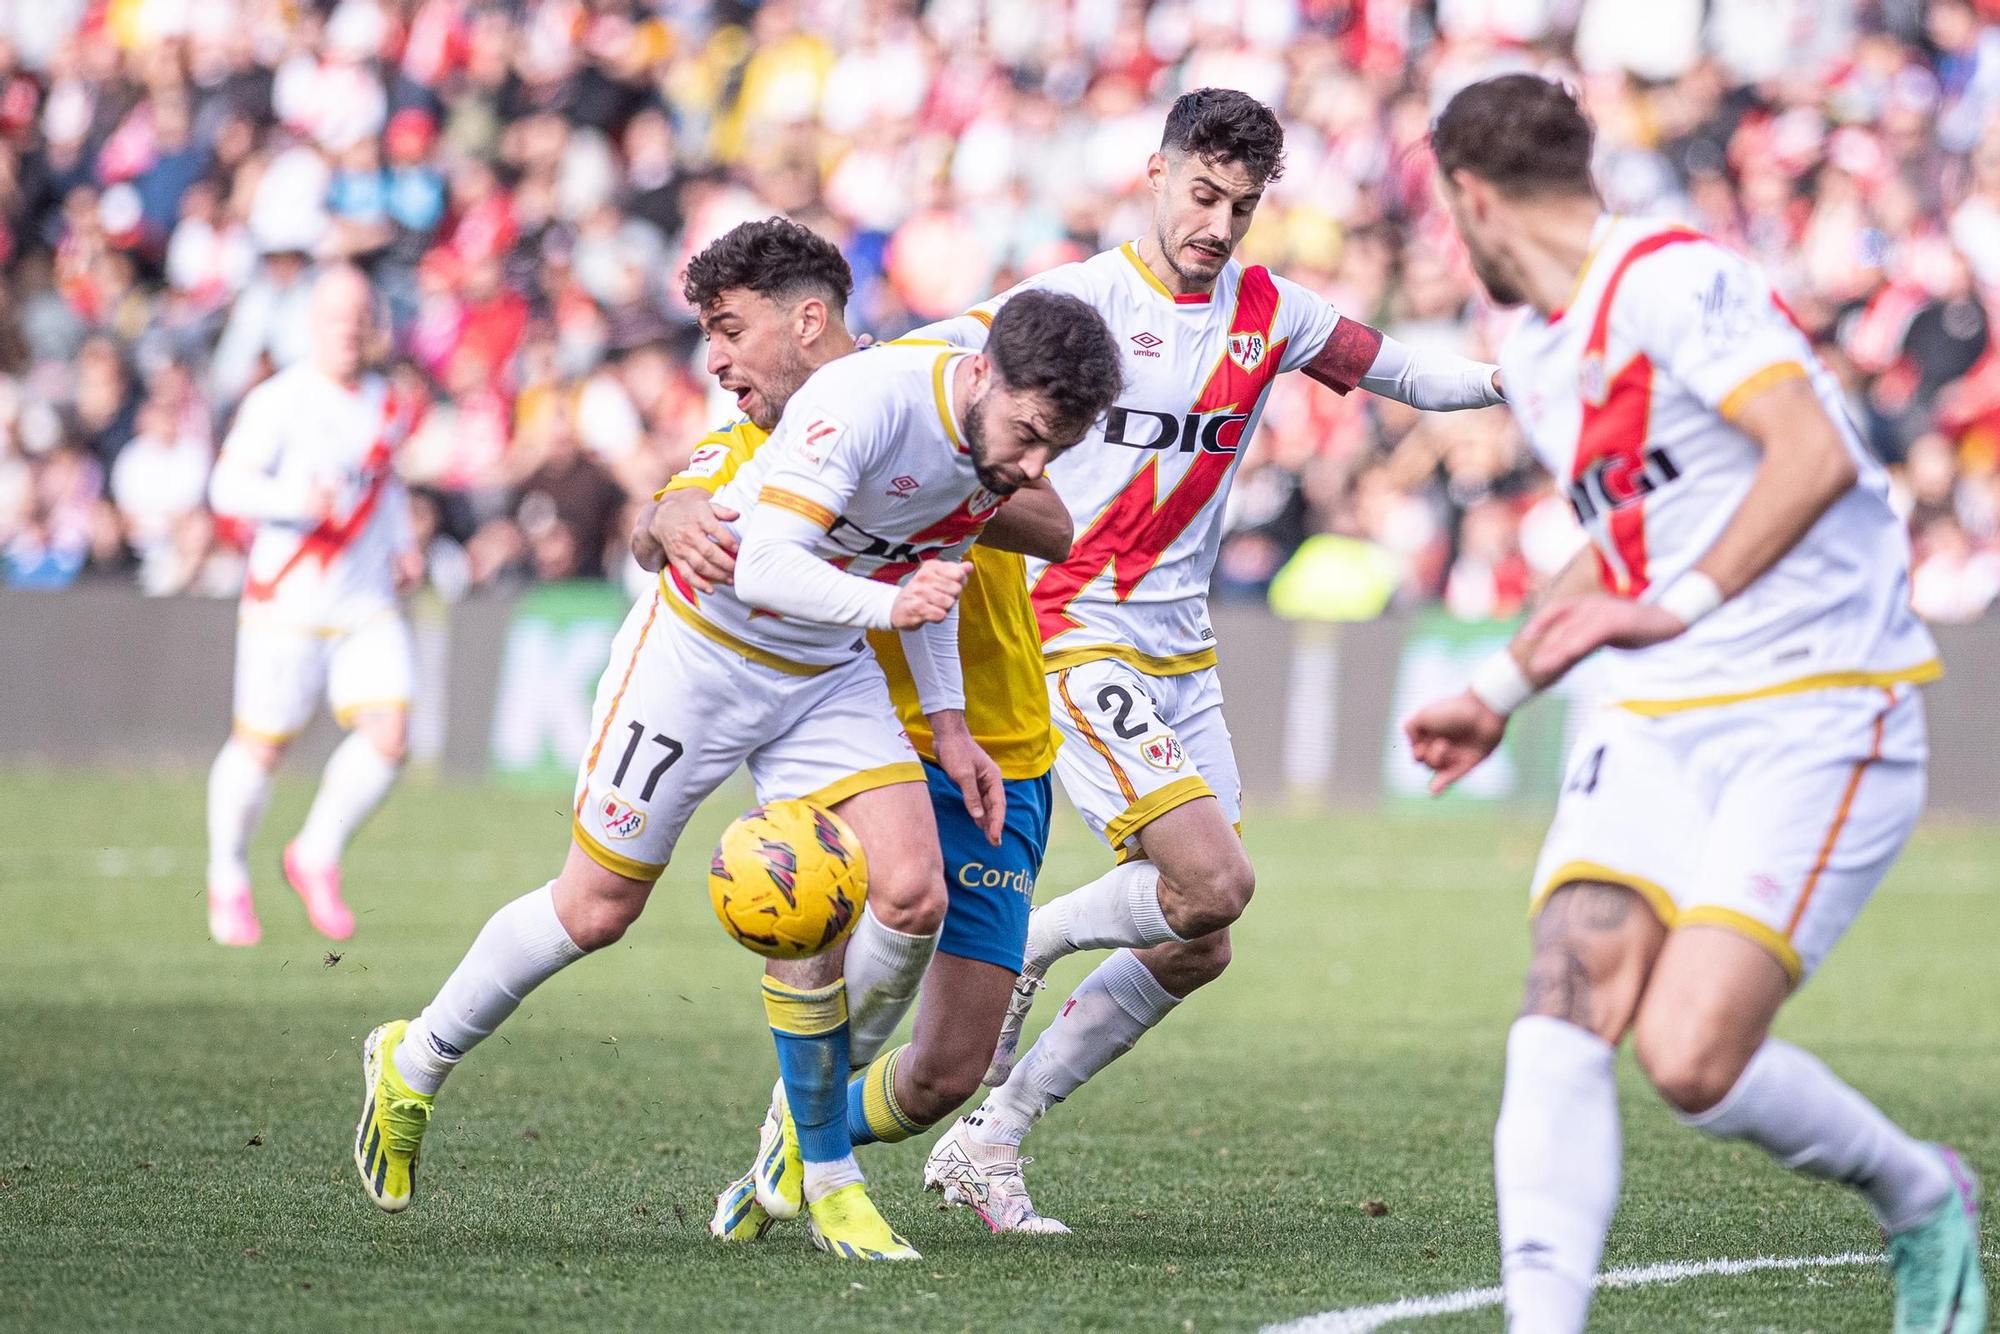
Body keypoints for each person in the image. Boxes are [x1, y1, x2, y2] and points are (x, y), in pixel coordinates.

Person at [351, 222, 1125, 1266]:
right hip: (702, 660)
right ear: (984, 376)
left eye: (1048, 447)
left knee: (910, 889)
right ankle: (415, 1054)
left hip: (826, 673)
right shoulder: (859, 403)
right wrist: (881, 605)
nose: (1032, 468)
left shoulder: (985, 434)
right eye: (1029, 438)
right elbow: (762, 565)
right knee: (595, 908)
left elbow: (929, 574)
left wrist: (946, 725)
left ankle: (823, 1170)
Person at [1404, 74, 1984, 1334]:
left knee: (1689, 1057)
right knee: (1559, 1005)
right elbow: (1618, 541)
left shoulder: (1670, 276)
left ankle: (1921, 1190)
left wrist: (1685, 597)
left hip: (1821, 707)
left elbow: (1812, 453)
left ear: (1472, 197)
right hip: (1649, 715)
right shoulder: (1539, 350)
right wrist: (1501, 684)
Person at [904, 87, 1506, 1232]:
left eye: (1240, 205)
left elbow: (1408, 375)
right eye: (1201, 194)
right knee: (1214, 881)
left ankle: (992, 1137)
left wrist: (1507, 377)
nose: (1218, 225)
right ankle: (1029, 940)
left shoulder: (1269, 313)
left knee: (1199, 939)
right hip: (1074, 630)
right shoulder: (1069, 304)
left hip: (1183, 651)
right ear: (1152, 171)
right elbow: (928, 368)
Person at [625, 219, 1078, 1244]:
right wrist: (666, 511)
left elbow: (1054, 528)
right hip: (861, 724)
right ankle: (814, 1148)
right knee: (822, 918)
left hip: (997, 736)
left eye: (733, 332)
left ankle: (799, 1135)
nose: (724, 365)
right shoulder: (753, 437)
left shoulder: (939, 391)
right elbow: (666, 513)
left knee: (942, 1072)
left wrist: (950, 473)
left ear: (810, 320)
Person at [203, 265, 420, 948]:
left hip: (364, 603)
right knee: (261, 749)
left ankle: (315, 853)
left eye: (360, 315)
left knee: (390, 735)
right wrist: (295, 504)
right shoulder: (280, 400)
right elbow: (227, 487)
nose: (349, 328)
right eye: (335, 316)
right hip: (288, 602)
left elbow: (385, 486)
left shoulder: (387, 399)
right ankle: (227, 874)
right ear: (311, 324)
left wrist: (405, 544)